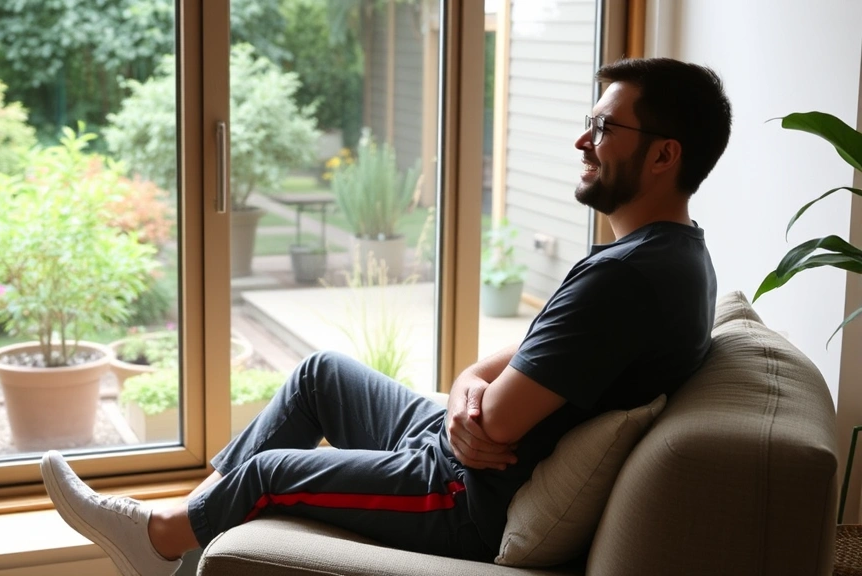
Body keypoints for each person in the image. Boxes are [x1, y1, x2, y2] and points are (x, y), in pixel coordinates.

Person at [40, 57, 732, 576]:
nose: (584, 142)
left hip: (462, 497)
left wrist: (475, 410)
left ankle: (159, 538)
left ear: (664, 155)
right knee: (319, 376)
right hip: (453, 447)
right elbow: (504, 366)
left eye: (605, 127)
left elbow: (496, 423)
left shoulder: (629, 280)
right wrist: (465, 389)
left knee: (271, 472)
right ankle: (179, 540)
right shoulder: (667, 255)